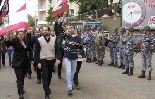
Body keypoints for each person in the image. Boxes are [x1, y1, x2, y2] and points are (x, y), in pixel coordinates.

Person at [5, 30, 33, 99]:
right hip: (17, 62)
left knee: (23, 76)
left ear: (24, 35)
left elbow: (30, 50)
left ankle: (21, 87)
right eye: (19, 34)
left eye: (22, 34)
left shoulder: (26, 41)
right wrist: (8, 36)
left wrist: (31, 59)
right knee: (19, 77)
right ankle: (20, 93)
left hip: (25, 62)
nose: (21, 36)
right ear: (17, 35)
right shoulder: (15, 40)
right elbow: (8, 43)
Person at [36, 26, 61, 99]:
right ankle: (46, 94)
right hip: (43, 60)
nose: (44, 31)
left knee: (49, 76)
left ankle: (47, 87)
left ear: (49, 31)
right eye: (43, 30)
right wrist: (38, 62)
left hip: (52, 60)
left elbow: (57, 50)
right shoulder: (39, 40)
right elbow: (37, 52)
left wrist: (58, 58)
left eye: (46, 30)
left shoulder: (54, 39)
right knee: (45, 76)